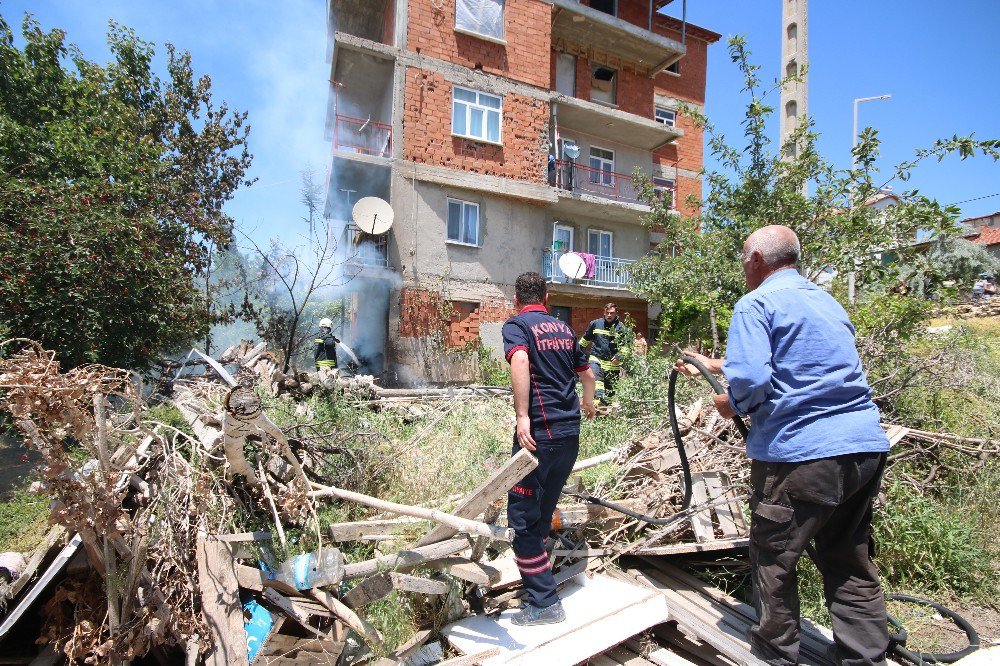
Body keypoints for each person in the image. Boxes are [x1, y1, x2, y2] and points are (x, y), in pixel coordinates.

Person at [674, 225, 891, 666]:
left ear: (756, 259)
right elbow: (800, 360)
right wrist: (712, 363)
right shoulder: (824, 301)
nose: (742, 267)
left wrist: (731, 403)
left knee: (774, 558)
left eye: (742, 258)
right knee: (848, 557)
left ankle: (776, 655)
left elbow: (754, 379)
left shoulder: (756, 303)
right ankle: (865, 657)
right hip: (864, 448)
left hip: (803, 454)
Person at [503, 272, 596, 626]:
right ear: (546, 296)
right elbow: (587, 375)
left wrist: (522, 416)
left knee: (523, 520)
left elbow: (521, 362)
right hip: (569, 437)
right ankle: (539, 582)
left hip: (537, 438)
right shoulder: (564, 329)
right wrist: (588, 404)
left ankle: (544, 603)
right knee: (542, 514)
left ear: (516, 298)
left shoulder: (517, 326)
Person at [580, 302, 626, 405]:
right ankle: (598, 398)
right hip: (596, 358)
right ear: (604, 312)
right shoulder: (595, 324)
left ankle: (605, 413)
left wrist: (620, 355)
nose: (609, 315)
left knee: (610, 393)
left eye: (611, 313)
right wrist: (575, 352)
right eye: (607, 313)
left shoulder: (621, 328)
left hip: (612, 364)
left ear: (616, 313)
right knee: (596, 378)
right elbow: (585, 340)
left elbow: (626, 346)